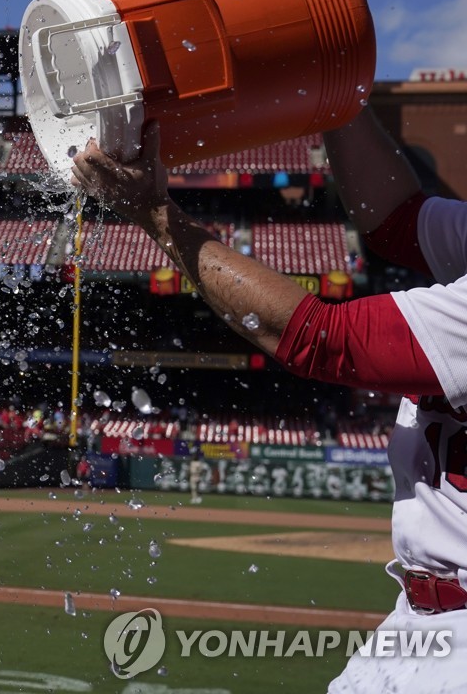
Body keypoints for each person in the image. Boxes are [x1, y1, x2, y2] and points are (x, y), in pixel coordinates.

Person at [73, 110, 467, 692]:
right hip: (418, 617)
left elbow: (321, 339)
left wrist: (155, 214)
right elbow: (395, 223)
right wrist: (341, 92)